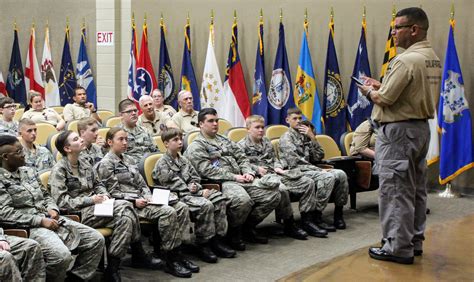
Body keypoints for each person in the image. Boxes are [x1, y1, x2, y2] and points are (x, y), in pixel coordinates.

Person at [357, 7, 442, 264]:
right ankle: (413, 241)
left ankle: (396, 247)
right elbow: (408, 93)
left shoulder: (405, 60)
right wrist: (381, 85)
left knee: (395, 191)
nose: (393, 33)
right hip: (418, 130)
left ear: (413, 30)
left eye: (397, 28)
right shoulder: (431, 58)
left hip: (398, 133)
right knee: (415, 190)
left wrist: (368, 91)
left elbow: (384, 99)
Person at [49, 130, 162, 281]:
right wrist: (91, 200)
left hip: (97, 208)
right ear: (67, 148)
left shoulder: (84, 162)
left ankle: (112, 267)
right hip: (78, 214)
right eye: (76, 139)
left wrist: (105, 195)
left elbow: (98, 183)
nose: (81, 140)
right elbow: (61, 201)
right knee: (124, 206)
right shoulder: (59, 170)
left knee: (125, 220)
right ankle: (137, 251)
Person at [0, 134, 105, 281]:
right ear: (5, 157)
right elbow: (5, 214)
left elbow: (46, 195)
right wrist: (40, 221)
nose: (24, 153)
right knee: (61, 257)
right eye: (18, 152)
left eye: (22, 150)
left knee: (95, 239)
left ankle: (76, 278)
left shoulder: (27, 171)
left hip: (50, 217)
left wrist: (52, 208)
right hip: (29, 226)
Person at [96, 127, 196, 278]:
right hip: (128, 205)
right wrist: (134, 201)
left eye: (126, 139)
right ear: (110, 142)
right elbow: (111, 193)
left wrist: (148, 196)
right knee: (167, 211)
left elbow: (142, 184)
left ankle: (177, 254)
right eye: (120, 139)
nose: (125, 143)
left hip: (143, 200)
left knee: (180, 207)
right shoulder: (106, 164)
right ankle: (170, 260)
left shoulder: (128, 159)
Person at [184, 108, 281, 250]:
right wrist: (235, 177)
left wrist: (249, 172)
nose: (215, 124)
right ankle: (232, 233)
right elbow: (207, 170)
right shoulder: (197, 146)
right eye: (210, 121)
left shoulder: (224, 139)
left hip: (241, 178)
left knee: (272, 194)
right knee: (243, 200)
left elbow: (241, 157)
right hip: (221, 183)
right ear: (200, 124)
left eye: (216, 120)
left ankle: (246, 227)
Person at [153, 126, 237, 263]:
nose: (180, 142)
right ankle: (203, 243)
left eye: (181, 139)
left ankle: (217, 240)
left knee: (219, 199)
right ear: (166, 143)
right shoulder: (162, 163)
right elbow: (169, 185)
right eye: (175, 140)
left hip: (192, 193)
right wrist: (196, 190)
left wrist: (195, 185)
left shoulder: (184, 160)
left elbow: (195, 177)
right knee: (206, 205)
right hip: (177, 197)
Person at [238, 115, 324, 238]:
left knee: (307, 182)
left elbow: (275, 159)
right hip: (260, 178)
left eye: (262, 127)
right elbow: (242, 164)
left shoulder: (266, 141)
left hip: (275, 173)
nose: (261, 130)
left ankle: (307, 220)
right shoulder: (241, 145)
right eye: (257, 127)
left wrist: (278, 166)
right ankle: (289, 224)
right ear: (248, 129)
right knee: (282, 189)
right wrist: (257, 169)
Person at [279, 108, 349, 232]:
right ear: (287, 120)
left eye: (300, 118)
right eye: (295, 118)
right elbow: (295, 163)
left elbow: (319, 156)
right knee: (327, 177)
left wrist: (312, 137)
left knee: (341, 174)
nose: (298, 121)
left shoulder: (305, 135)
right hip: (295, 171)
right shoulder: (286, 138)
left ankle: (338, 214)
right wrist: (320, 170)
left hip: (310, 169)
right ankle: (315, 216)